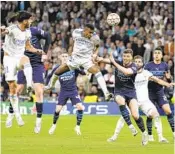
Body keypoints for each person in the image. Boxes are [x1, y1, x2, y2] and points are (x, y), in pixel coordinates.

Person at [107, 55, 174, 143]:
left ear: (143, 63)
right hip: (132, 99)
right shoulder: (130, 73)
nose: (138, 63)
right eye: (136, 61)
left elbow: (157, 80)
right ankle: (114, 136)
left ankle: (161, 137)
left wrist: (167, 84)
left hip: (144, 101)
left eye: (140, 62)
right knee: (123, 118)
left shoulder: (146, 73)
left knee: (156, 115)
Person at [47, 24, 112, 101]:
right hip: (75, 59)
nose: (91, 34)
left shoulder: (95, 37)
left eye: (92, 32)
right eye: (90, 32)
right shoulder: (76, 32)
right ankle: (51, 85)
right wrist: (70, 53)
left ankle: (106, 93)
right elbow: (72, 43)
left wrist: (94, 54)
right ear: (85, 30)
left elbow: (97, 46)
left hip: (86, 59)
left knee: (97, 71)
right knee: (58, 70)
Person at [1, 11, 44, 128]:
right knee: (12, 89)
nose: (31, 22)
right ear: (25, 21)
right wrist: (1, 30)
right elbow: (3, 32)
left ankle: (29, 84)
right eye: (30, 20)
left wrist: (38, 51)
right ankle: (15, 116)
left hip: (19, 57)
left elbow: (28, 47)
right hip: (9, 59)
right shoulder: (12, 29)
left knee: (26, 59)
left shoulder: (27, 32)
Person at [97, 49, 148, 145]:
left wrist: (113, 62)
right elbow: (104, 60)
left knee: (135, 115)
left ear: (131, 58)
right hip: (119, 91)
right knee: (120, 101)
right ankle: (130, 127)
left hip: (131, 92)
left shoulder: (134, 66)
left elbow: (127, 72)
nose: (125, 58)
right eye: (124, 56)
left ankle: (144, 133)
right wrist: (97, 58)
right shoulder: (118, 62)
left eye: (128, 56)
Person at [12, 24, 51, 133]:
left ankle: (38, 121)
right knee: (18, 89)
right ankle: (14, 114)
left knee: (39, 91)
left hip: (36, 63)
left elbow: (48, 36)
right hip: (23, 63)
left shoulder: (34, 30)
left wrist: (45, 52)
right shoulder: (15, 33)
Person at [46, 52, 85, 135]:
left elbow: (83, 72)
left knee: (80, 107)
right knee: (58, 110)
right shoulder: (57, 68)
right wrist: (47, 85)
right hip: (63, 91)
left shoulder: (73, 67)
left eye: (66, 56)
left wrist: (81, 66)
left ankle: (77, 127)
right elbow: (49, 76)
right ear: (60, 57)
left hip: (73, 91)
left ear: (69, 57)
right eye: (63, 56)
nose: (64, 57)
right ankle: (53, 125)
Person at [144, 47, 175, 140]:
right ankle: (150, 135)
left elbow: (168, 78)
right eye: (155, 53)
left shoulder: (165, 65)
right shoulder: (148, 66)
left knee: (168, 111)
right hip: (149, 92)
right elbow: (145, 78)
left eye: (158, 53)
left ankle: (174, 133)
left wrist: (169, 79)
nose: (157, 54)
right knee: (150, 115)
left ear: (161, 56)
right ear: (153, 55)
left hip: (160, 92)